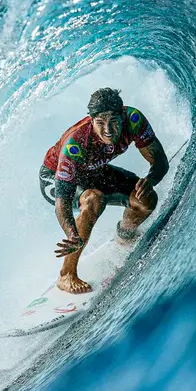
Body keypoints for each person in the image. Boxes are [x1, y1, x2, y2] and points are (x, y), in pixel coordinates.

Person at [39, 88, 169, 294]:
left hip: (94, 172)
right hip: (54, 179)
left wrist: (150, 180)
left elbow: (160, 162)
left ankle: (125, 234)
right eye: (100, 123)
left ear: (122, 115)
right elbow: (62, 201)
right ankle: (66, 275)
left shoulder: (133, 120)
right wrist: (72, 233)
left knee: (146, 200)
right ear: (91, 121)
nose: (108, 130)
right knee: (93, 200)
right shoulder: (75, 144)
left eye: (114, 121)